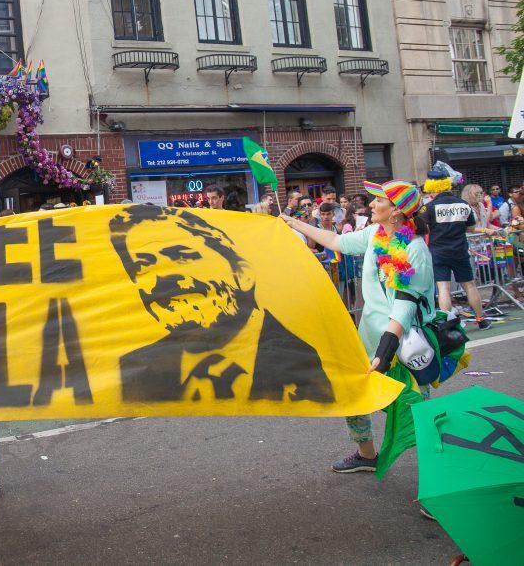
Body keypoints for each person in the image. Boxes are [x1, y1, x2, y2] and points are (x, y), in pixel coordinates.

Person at [283, 180, 434, 478]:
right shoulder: (375, 235)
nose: (371, 204)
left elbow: (405, 306)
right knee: (351, 393)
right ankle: (366, 454)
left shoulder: (415, 249)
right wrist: (294, 223)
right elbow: (336, 241)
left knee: (415, 409)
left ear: (396, 211)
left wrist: (385, 352)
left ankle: (436, 472)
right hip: (369, 336)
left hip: (403, 343)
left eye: (379, 200)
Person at [109, 205, 334, 404]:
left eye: (181, 255)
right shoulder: (135, 368)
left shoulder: (305, 359)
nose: (164, 277)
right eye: (144, 265)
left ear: (242, 273)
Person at [424, 171, 493, 330]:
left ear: (432, 187)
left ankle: (448, 325)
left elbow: (423, 229)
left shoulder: (429, 207)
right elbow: (470, 227)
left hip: (438, 252)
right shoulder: (463, 204)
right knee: (470, 285)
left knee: (443, 288)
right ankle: (481, 319)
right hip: (460, 250)